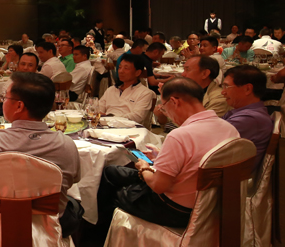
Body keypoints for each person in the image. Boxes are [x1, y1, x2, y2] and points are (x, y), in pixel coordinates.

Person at [0, 72, 83, 240]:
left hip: (0, 218)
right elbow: (73, 181)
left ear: (19, 106)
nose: (2, 101)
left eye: (5, 97)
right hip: (49, 222)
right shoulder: (67, 144)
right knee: (74, 204)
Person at [97, 78, 240, 229]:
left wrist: (144, 167)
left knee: (112, 192)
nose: (167, 114)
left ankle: (98, 236)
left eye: (164, 108)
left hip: (176, 209)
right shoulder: (229, 129)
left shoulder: (180, 135)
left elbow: (158, 186)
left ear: (174, 102)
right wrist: (162, 157)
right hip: (210, 205)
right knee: (111, 172)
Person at [221, 65, 274, 173]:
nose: (223, 92)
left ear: (247, 89)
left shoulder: (249, 119)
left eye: (227, 86)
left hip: (229, 177)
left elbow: (208, 143)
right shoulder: (247, 112)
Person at [155, 56, 229, 127]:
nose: (183, 74)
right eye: (184, 69)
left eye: (187, 69)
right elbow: (165, 123)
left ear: (205, 74)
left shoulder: (219, 98)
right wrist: (163, 109)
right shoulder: (186, 92)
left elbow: (200, 127)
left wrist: (167, 110)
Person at [98, 54, 155, 124]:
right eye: (120, 67)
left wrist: (110, 118)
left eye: (126, 68)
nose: (120, 71)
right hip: (105, 125)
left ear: (137, 72)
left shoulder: (145, 93)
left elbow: (137, 117)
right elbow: (98, 109)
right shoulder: (111, 89)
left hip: (129, 128)